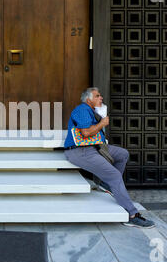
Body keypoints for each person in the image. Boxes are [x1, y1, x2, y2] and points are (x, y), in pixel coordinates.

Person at [64, 87, 155, 228]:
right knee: (114, 176)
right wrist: (102, 123)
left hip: (95, 147)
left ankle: (107, 185)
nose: (101, 98)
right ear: (88, 100)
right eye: (97, 96)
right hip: (81, 151)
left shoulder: (93, 111)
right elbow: (86, 133)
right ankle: (131, 215)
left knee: (123, 154)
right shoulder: (82, 109)